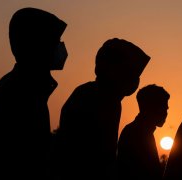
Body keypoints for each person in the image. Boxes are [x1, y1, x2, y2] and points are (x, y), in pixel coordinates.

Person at [0, 7, 67, 179]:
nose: (61, 47)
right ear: (38, 45)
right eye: (56, 41)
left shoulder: (30, 86)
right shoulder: (18, 91)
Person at [55, 38, 150, 179]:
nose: (135, 81)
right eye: (131, 73)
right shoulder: (91, 97)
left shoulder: (111, 101)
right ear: (115, 70)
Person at [117, 84, 170, 180]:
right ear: (151, 107)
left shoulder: (140, 131)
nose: (165, 113)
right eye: (163, 108)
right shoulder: (137, 134)